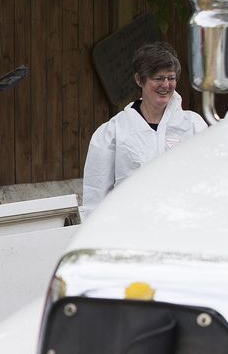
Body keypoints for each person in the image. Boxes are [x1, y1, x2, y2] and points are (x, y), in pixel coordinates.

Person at [80, 41, 207, 221]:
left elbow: (207, 180)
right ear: (140, 80)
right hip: (132, 235)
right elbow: (96, 195)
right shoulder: (113, 132)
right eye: (158, 78)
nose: (166, 85)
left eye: (171, 78)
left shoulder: (193, 125)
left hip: (182, 231)